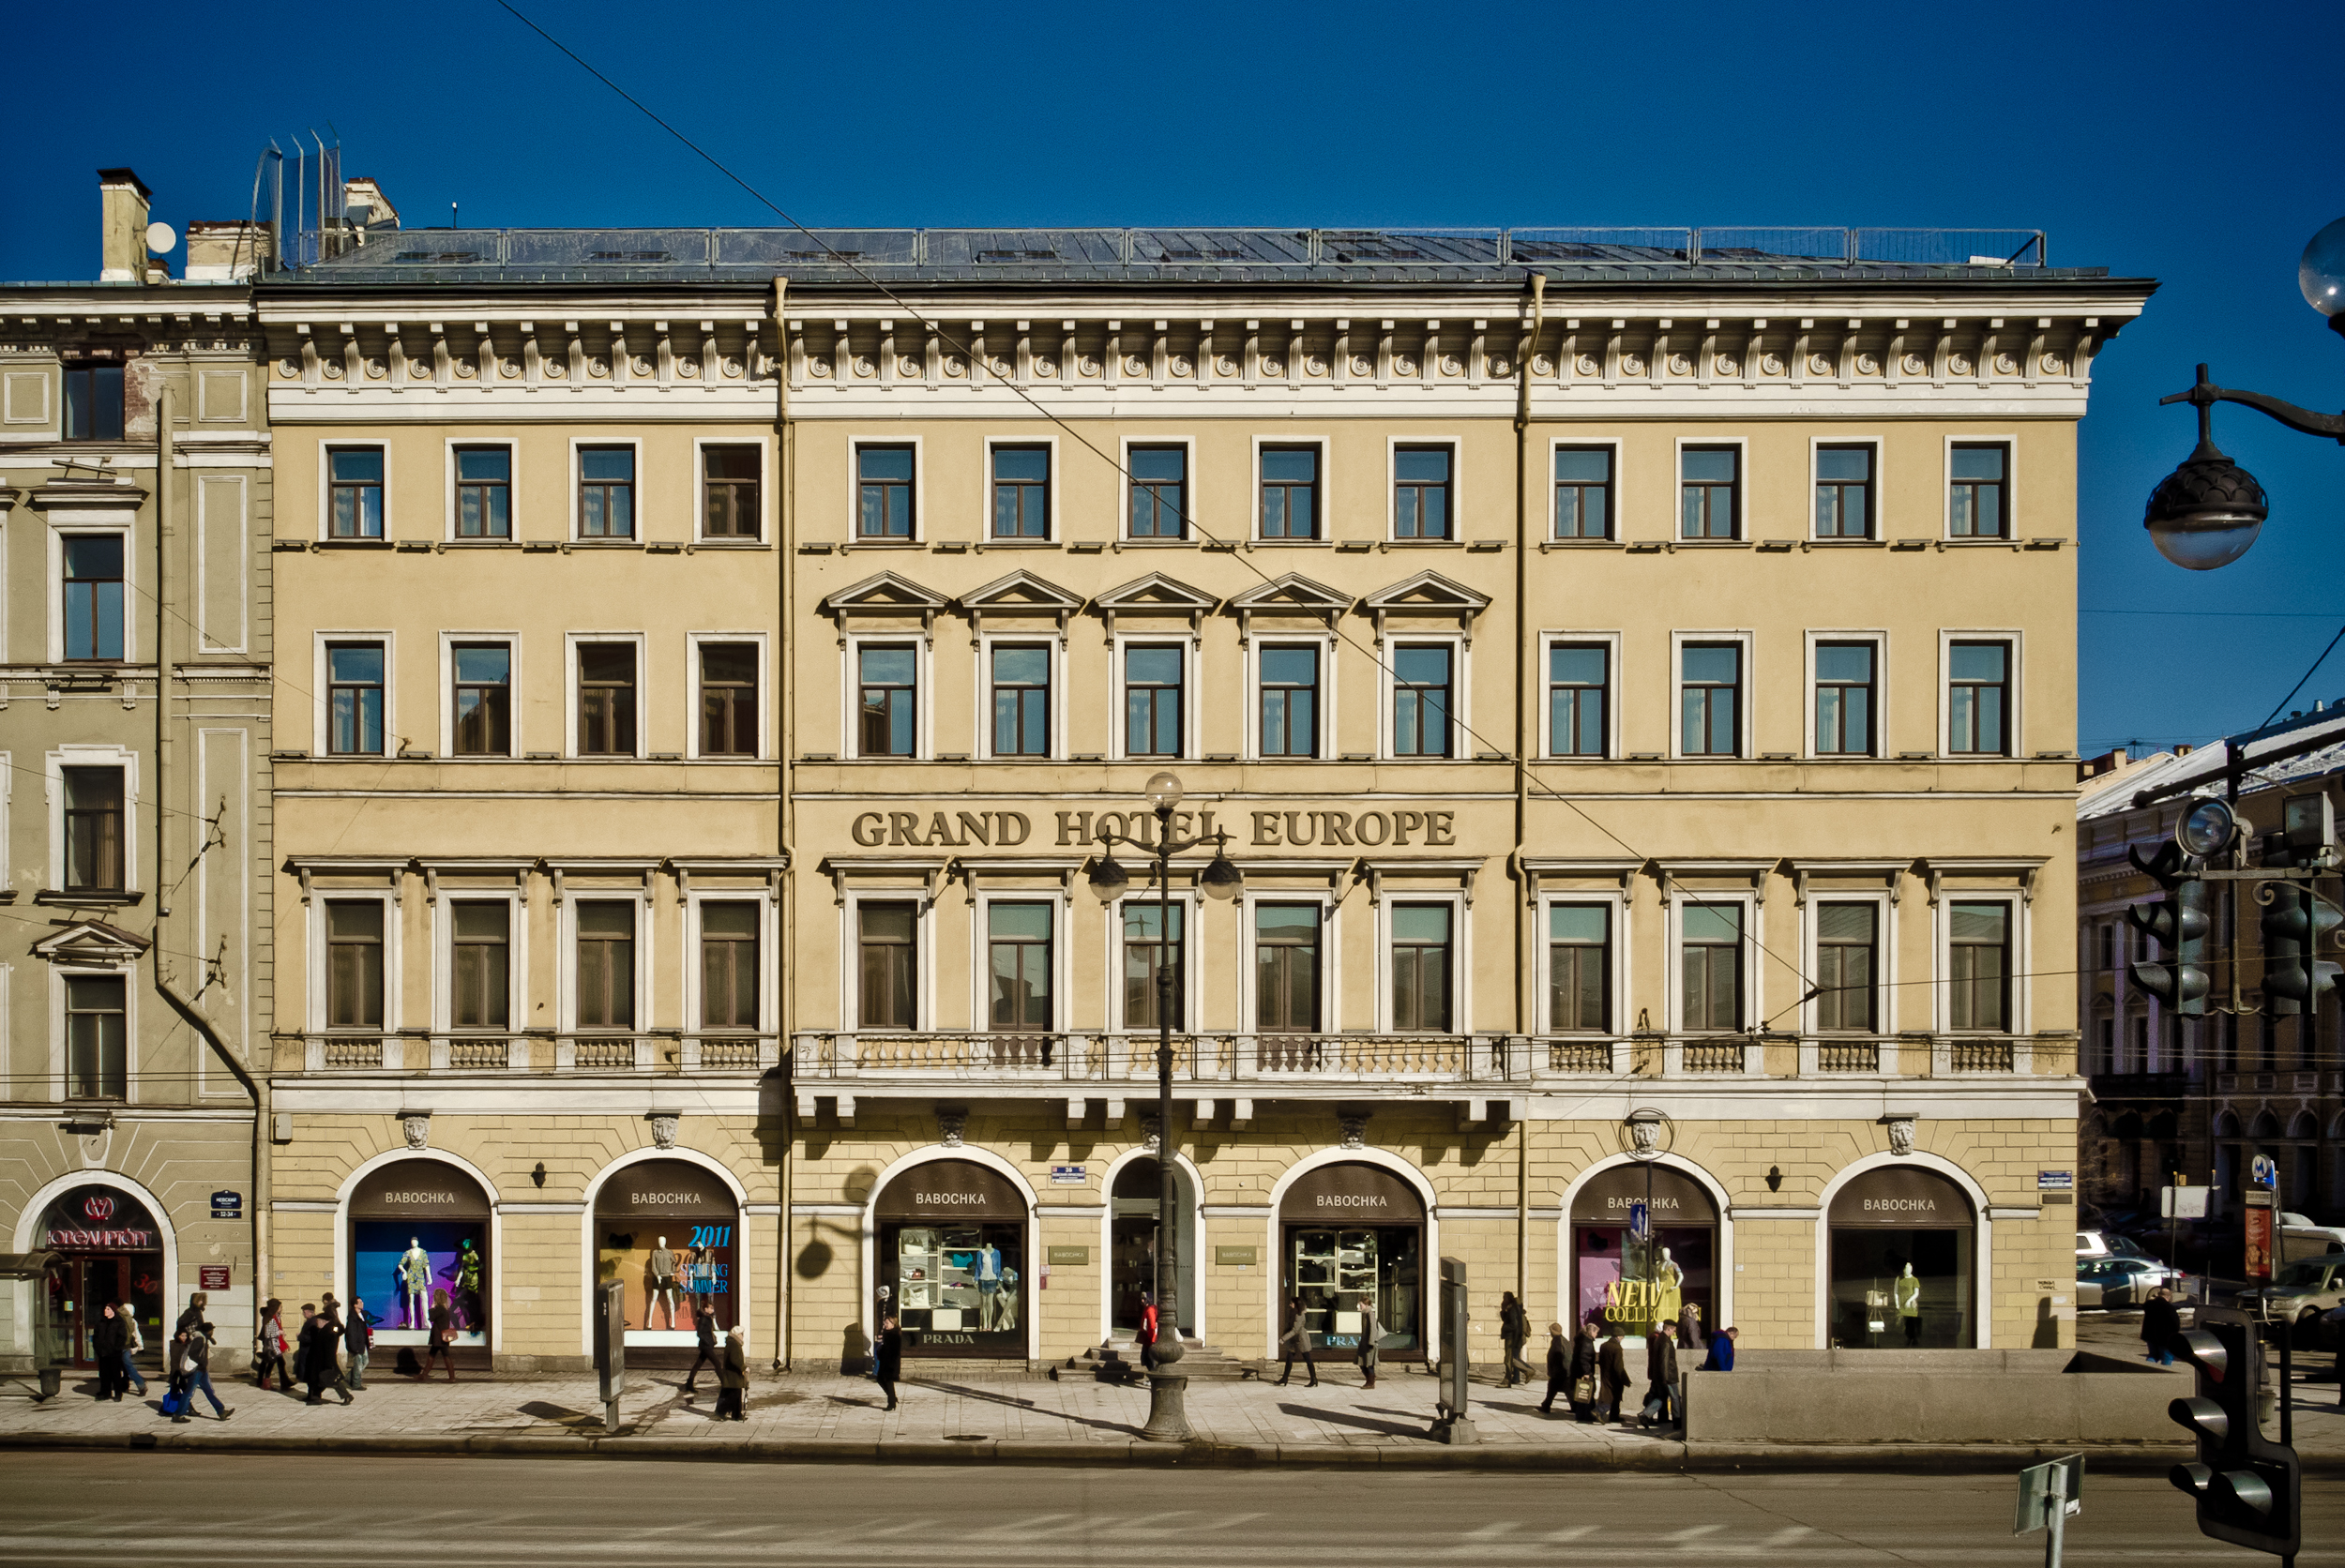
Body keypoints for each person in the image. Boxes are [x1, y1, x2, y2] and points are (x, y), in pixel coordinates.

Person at [171, 1325, 231, 1423]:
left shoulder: (203, 1337)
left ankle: (221, 1411)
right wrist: (201, 1363)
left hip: (202, 1370)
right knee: (189, 1392)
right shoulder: (199, 1338)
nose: (212, 1332)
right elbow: (193, 1353)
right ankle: (178, 1415)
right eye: (212, 1330)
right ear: (208, 1331)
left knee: (209, 1391)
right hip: (197, 1369)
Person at [1642, 1321, 1680, 1429]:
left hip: (1661, 1375)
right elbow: (1664, 1360)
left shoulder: (1659, 1339)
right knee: (1675, 1398)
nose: (1674, 1332)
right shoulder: (1666, 1342)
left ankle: (1646, 1414)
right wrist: (1665, 1378)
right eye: (1673, 1330)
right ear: (1669, 1329)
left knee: (1661, 1397)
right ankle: (1677, 1421)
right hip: (1669, 1376)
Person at [1275, 1296, 1318, 1388]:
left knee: (1307, 1359)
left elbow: (1295, 1330)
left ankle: (1313, 1379)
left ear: (1296, 1304)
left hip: (1301, 1339)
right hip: (1294, 1340)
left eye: (1291, 1303)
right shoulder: (1293, 1312)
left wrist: (1283, 1339)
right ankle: (1284, 1378)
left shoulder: (1299, 1315)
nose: (1290, 1305)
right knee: (1289, 1359)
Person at [92, 1303, 129, 1402]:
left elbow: (122, 1337)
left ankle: (118, 1393)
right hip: (103, 1353)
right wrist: (97, 1348)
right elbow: (95, 1336)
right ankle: (105, 1393)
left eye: (108, 1309)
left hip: (114, 1353)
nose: (105, 1311)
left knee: (115, 1374)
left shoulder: (119, 1322)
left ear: (113, 1311)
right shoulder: (101, 1322)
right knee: (104, 1374)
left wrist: (116, 1348)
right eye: (105, 1309)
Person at [683, 1306, 721, 1397]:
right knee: (717, 1363)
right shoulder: (703, 1319)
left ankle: (689, 1384)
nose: (712, 1310)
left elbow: (708, 1331)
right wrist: (707, 1341)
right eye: (711, 1308)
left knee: (698, 1364)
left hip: (707, 1345)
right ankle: (725, 1384)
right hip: (706, 1346)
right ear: (705, 1309)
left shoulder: (708, 1318)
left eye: (713, 1308)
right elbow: (699, 1333)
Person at [714, 1325, 749, 1422]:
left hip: (733, 1374)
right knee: (731, 1395)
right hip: (732, 1374)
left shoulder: (733, 1343)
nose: (743, 1336)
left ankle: (736, 1415)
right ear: (738, 1335)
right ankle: (721, 1413)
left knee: (736, 1394)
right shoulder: (734, 1344)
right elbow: (734, 1359)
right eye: (742, 1334)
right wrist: (743, 1367)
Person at [1569, 1319, 1602, 1421]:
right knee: (1587, 1393)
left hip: (1578, 1371)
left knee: (1584, 1394)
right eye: (1596, 1332)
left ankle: (1585, 1414)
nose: (1596, 1335)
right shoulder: (1586, 1342)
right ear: (1591, 1332)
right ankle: (1586, 1415)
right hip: (1584, 1373)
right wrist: (1586, 1372)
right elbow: (1584, 1358)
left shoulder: (1582, 1340)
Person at [252, 1300, 289, 1391]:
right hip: (271, 1345)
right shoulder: (270, 1318)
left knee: (269, 1362)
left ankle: (264, 1382)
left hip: (273, 1344)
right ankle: (268, 1383)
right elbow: (267, 1333)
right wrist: (279, 1332)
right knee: (274, 1362)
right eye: (279, 1307)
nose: (281, 1309)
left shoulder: (274, 1316)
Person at [1598, 1325, 1632, 1425]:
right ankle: (1601, 1412)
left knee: (1607, 1394)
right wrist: (1624, 1378)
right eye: (1622, 1337)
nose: (1622, 1339)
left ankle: (1613, 1415)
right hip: (1615, 1376)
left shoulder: (1604, 1345)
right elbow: (1618, 1366)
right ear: (1618, 1336)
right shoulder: (1617, 1348)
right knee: (1614, 1396)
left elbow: (1601, 1360)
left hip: (1605, 1373)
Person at [1499, 1291, 1532, 1388]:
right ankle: (1513, 1378)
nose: (1503, 1299)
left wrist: (1504, 1328)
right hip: (1513, 1337)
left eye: (1504, 1297)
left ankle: (1528, 1371)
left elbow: (1514, 1325)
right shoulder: (1511, 1308)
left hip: (1512, 1337)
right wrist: (1503, 1310)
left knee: (1509, 1359)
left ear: (1509, 1298)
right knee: (1511, 1359)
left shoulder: (1513, 1309)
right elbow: (1506, 1319)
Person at [2141, 1288, 2182, 1365]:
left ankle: (2148, 1369)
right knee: (2167, 1356)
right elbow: (2175, 1324)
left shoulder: (2149, 1305)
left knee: (2153, 1355)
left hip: (2150, 1335)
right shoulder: (2169, 1308)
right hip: (2165, 1337)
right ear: (2168, 1297)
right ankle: (2165, 1371)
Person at [425, 1288, 458, 1381]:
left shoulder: (439, 1309)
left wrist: (432, 1308)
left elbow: (431, 1318)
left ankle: (452, 1377)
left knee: (443, 1355)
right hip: (442, 1337)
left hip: (439, 1337)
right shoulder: (445, 1309)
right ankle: (424, 1374)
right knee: (433, 1354)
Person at [1537, 1321, 1568, 1415]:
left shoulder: (1557, 1342)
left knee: (1553, 1389)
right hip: (1563, 1371)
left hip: (1559, 1371)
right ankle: (1546, 1405)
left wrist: (1554, 1371)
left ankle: (1546, 1406)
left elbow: (1557, 1357)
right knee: (1564, 1390)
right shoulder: (1563, 1340)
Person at [343, 1296, 374, 1390]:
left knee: (365, 1361)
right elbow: (351, 1333)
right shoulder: (352, 1318)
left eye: (362, 1302)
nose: (362, 1303)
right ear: (355, 1305)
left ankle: (348, 1378)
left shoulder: (361, 1315)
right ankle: (356, 1384)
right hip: (356, 1344)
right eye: (360, 1302)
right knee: (358, 1364)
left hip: (362, 1343)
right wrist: (354, 1347)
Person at [873, 1315, 903, 1411]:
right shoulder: (888, 1334)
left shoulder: (894, 1335)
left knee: (888, 1382)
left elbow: (894, 1351)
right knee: (880, 1379)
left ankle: (891, 1404)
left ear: (893, 1324)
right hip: (885, 1362)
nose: (885, 1325)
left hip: (891, 1363)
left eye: (887, 1323)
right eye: (884, 1323)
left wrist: (882, 1354)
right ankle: (893, 1398)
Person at [118, 1305, 148, 1398]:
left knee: (126, 1367)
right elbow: (137, 1335)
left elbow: (136, 1334)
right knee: (127, 1367)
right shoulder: (132, 1321)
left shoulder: (122, 1319)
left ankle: (140, 1384)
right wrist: (140, 1346)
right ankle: (127, 1385)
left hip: (121, 1347)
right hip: (127, 1347)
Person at [1357, 1293, 1384, 1390]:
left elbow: (1373, 1328)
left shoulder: (1369, 1313)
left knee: (1369, 1363)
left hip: (1369, 1343)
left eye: (1361, 1305)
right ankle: (1370, 1379)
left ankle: (1370, 1382)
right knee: (1362, 1362)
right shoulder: (1365, 1313)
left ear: (1366, 1305)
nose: (1359, 1306)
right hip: (1365, 1342)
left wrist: (1371, 1342)